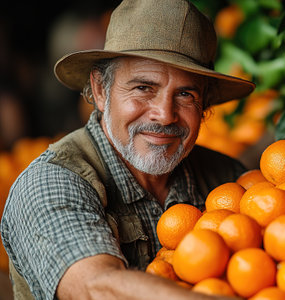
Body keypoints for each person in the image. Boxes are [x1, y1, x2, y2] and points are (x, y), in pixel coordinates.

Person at [0, 0, 255, 299]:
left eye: (185, 94)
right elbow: (97, 287)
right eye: (143, 87)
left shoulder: (227, 178)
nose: (164, 114)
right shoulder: (49, 184)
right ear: (100, 90)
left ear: (204, 106)